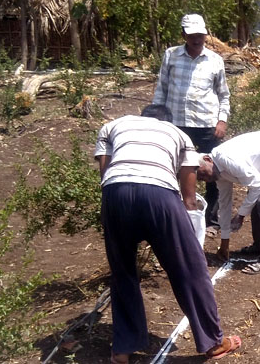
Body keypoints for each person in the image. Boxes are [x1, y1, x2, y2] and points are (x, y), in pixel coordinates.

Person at [94, 104, 240, 363]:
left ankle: (123, 350)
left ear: (142, 117)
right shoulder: (178, 134)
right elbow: (189, 196)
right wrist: (187, 233)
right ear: (168, 120)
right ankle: (213, 342)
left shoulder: (114, 125)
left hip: (115, 192)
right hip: (159, 194)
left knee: (123, 272)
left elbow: (105, 173)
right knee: (190, 268)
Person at [153, 13, 230, 235]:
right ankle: (180, 217)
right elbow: (162, 88)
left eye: (200, 35)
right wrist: (155, 119)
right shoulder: (171, 56)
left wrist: (221, 120)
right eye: (192, 35)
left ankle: (211, 221)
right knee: (175, 170)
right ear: (183, 35)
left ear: (206, 35)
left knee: (213, 173)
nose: (197, 39)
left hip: (207, 124)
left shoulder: (215, 60)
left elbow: (223, 95)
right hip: (176, 124)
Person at [196, 131, 260, 275]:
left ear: (208, 159)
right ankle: (259, 246)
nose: (204, 179)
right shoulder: (218, 173)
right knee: (256, 199)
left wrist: (241, 215)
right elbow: (225, 205)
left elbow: (257, 186)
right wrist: (224, 244)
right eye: (200, 179)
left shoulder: (226, 159)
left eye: (201, 173)